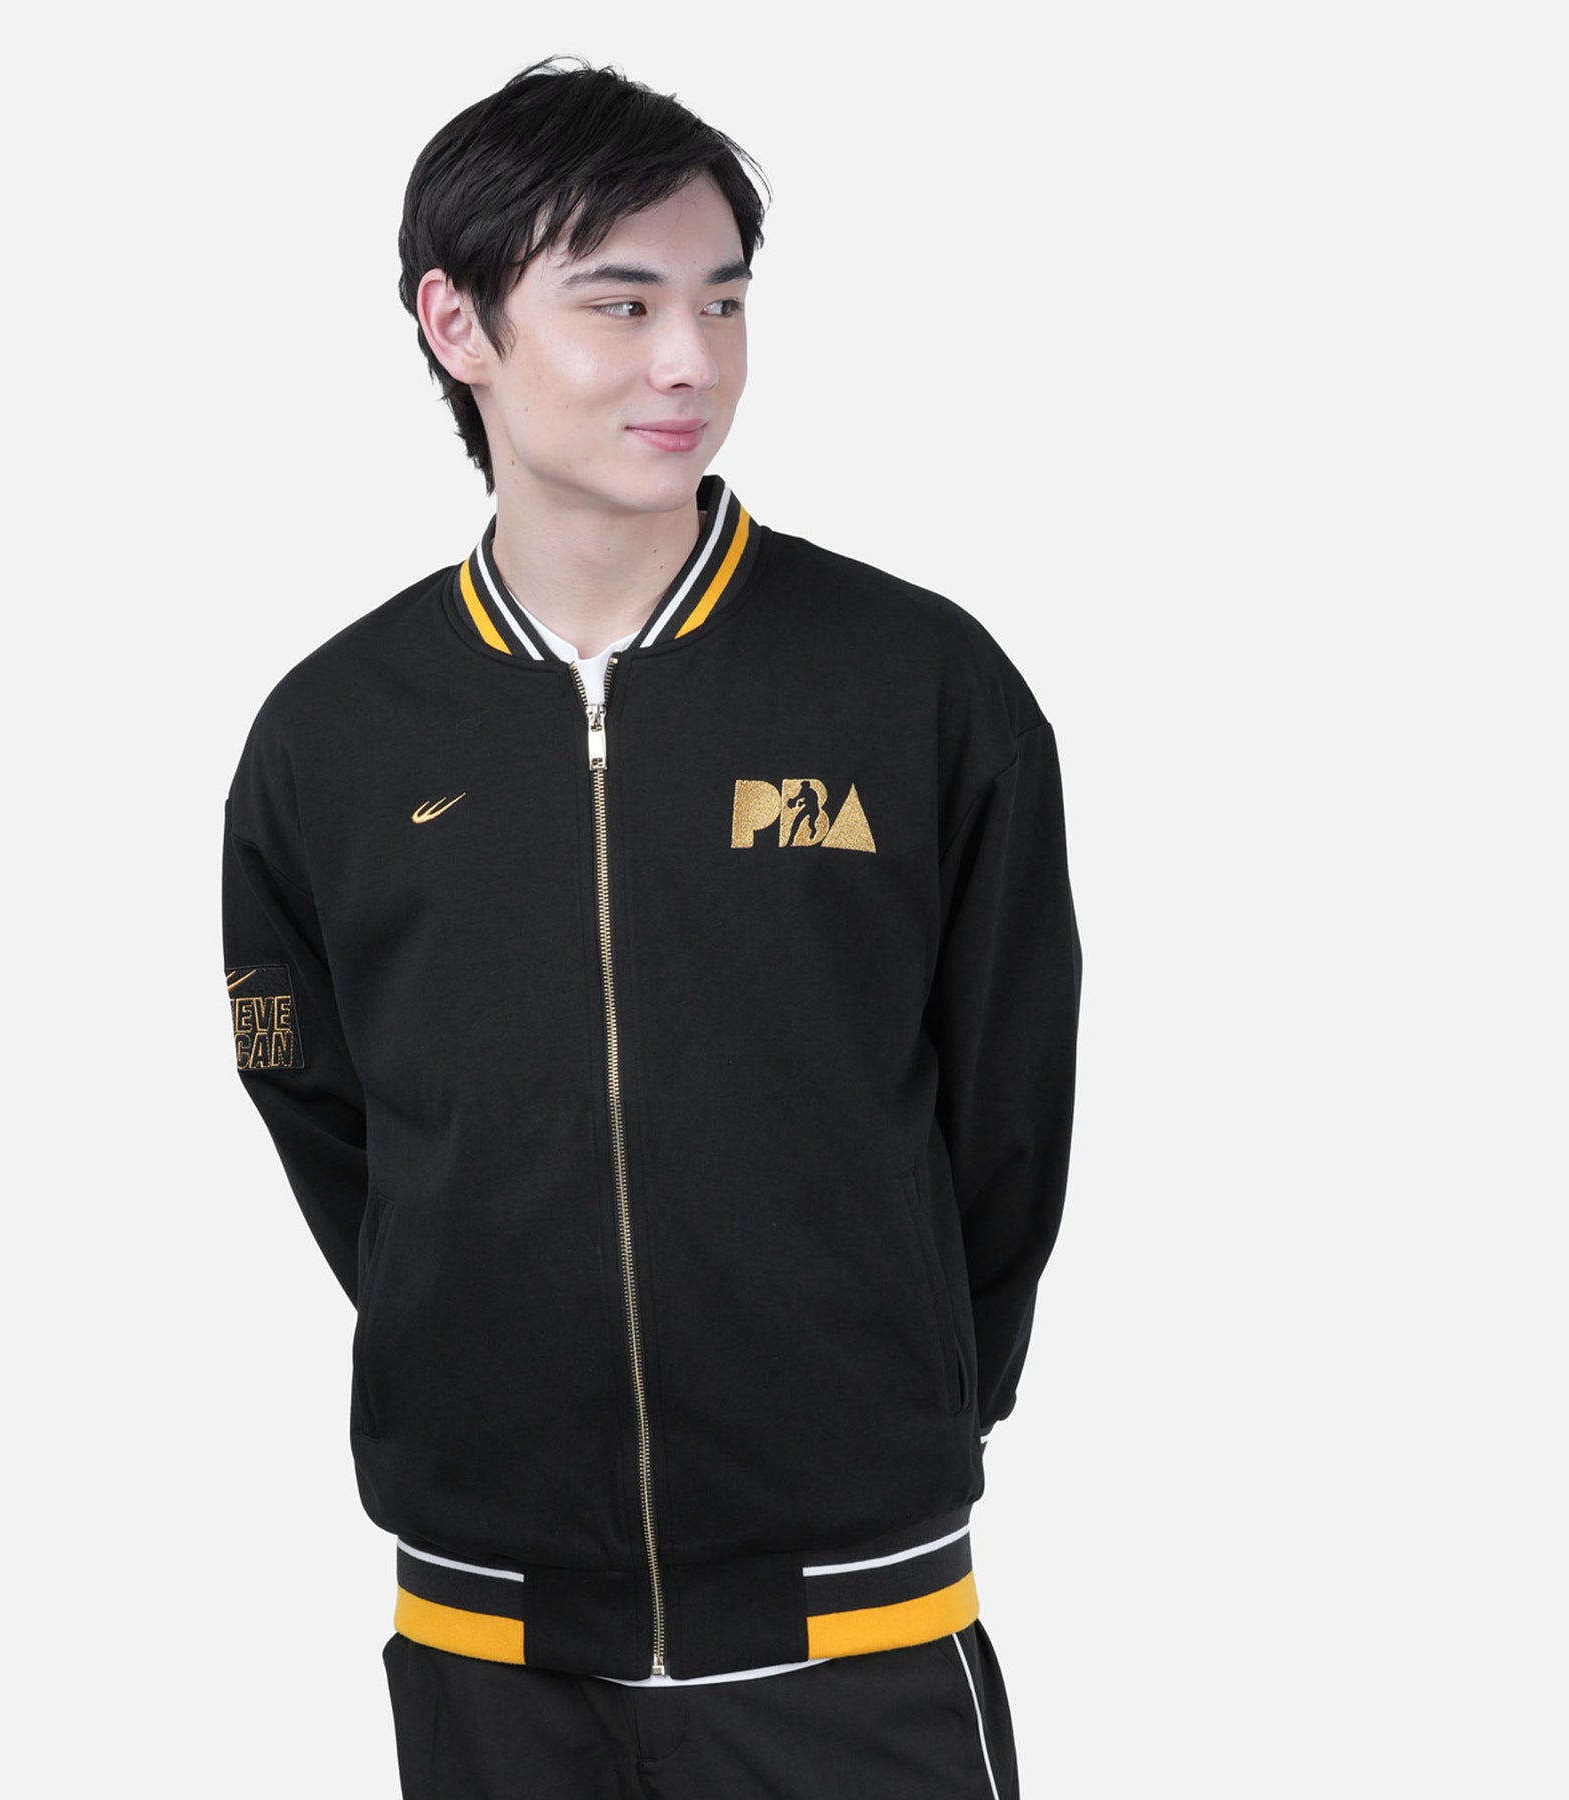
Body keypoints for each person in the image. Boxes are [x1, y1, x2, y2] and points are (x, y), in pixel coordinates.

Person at [223, 54, 1081, 1800]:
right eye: (619, 304)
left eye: (722, 301)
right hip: (491, 1639)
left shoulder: (915, 686)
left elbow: (1011, 1100)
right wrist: (469, 1322)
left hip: (852, 1621)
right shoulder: (333, 734)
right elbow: (318, 1100)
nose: (689, 360)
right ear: (456, 325)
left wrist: (909, 1379)